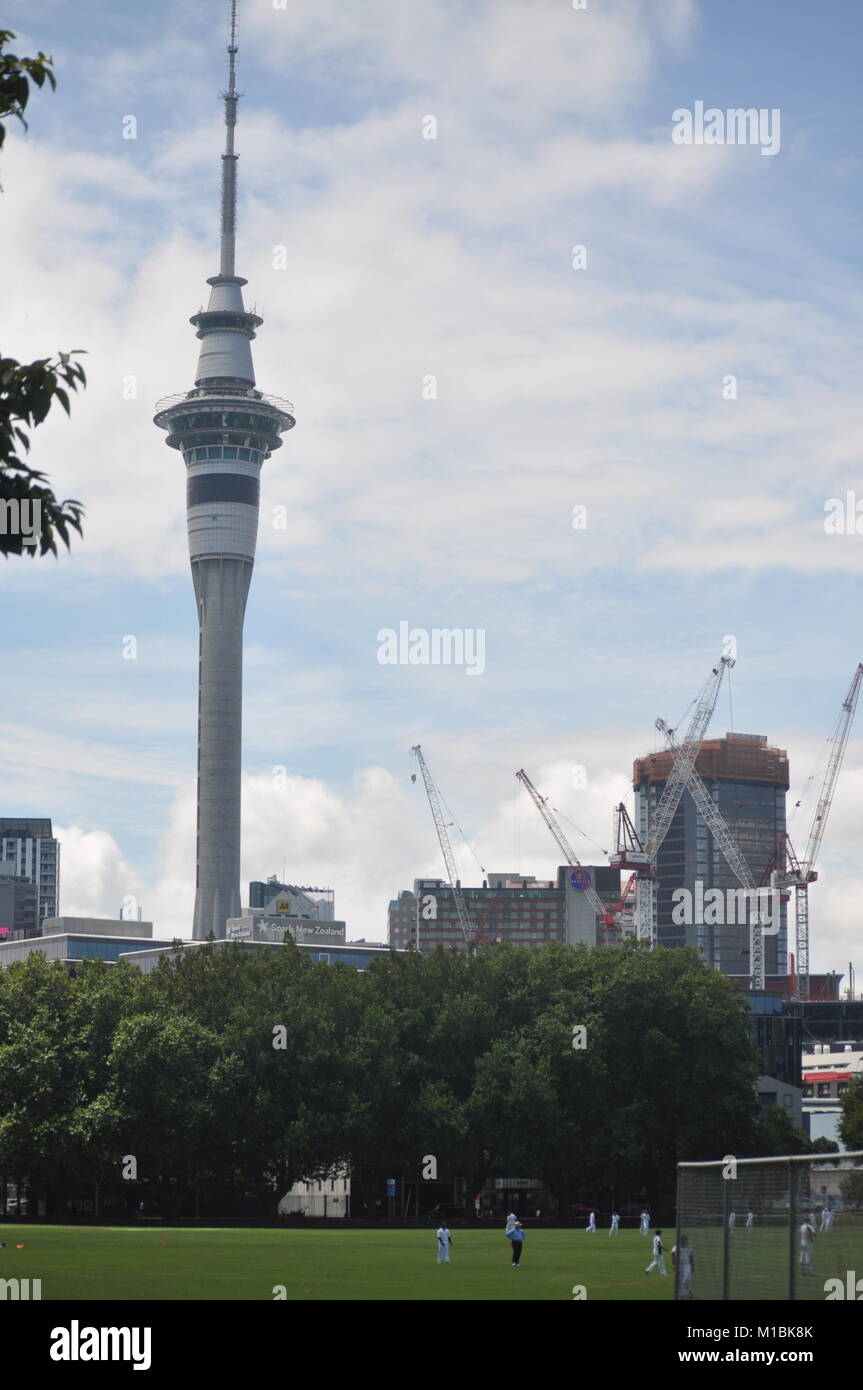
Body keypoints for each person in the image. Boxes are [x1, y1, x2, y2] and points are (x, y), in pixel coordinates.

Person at [672, 1234, 694, 1299]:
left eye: (685, 1240)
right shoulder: (675, 1248)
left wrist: (693, 1266)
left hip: (687, 1266)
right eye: (683, 1240)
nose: (684, 1242)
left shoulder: (689, 1248)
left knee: (686, 1279)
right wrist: (674, 1265)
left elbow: (691, 1258)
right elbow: (673, 1257)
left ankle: (688, 1290)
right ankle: (681, 1296)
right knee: (680, 1282)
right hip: (679, 1266)